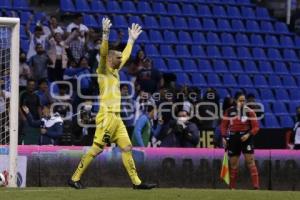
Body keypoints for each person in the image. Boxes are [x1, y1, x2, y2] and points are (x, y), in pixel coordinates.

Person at [68, 18, 156, 190]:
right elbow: (102, 53)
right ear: (109, 59)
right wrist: (106, 35)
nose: (120, 57)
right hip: (106, 115)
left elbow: (127, 54)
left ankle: (136, 183)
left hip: (117, 118)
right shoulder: (102, 70)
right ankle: (74, 178)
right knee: (96, 149)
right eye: (117, 56)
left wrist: (131, 39)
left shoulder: (115, 70)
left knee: (127, 147)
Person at [221, 92, 260, 189]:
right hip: (233, 138)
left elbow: (256, 128)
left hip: (246, 138)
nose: (242, 102)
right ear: (235, 101)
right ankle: (232, 187)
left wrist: (248, 134)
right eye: (240, 100)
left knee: (250, 161)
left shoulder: (250, 111)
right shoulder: (229, 111)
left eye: (244, 100)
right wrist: (224, 137)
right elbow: (223, 126)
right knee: (233, 164)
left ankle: (256, 186)